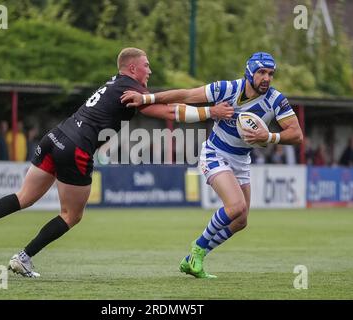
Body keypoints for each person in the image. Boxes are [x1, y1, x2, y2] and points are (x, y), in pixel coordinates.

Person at [0, 47, 231, 278]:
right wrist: (211, 111)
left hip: (55, 136)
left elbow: (161, 109)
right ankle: (23, 257)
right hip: (77, 148)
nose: (150, 71)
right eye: (147, 65)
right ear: (132, 68)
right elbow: (168, 110)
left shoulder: (116, 84)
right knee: (72, 215)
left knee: (23, 197)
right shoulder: (130, 88)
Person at [121, 52, 303, 278]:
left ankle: (192, 261)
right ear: (249, 72)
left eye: (270, 74)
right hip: (215, 153)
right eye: (261, 73)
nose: (266, 78)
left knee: (241, 221)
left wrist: (269, 137)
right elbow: (187, 94)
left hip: (241, 160)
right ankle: (197, 250)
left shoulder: (276, 100)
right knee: (236, 207)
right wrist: (146, 99)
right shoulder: (226, 89)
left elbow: (296, 135)